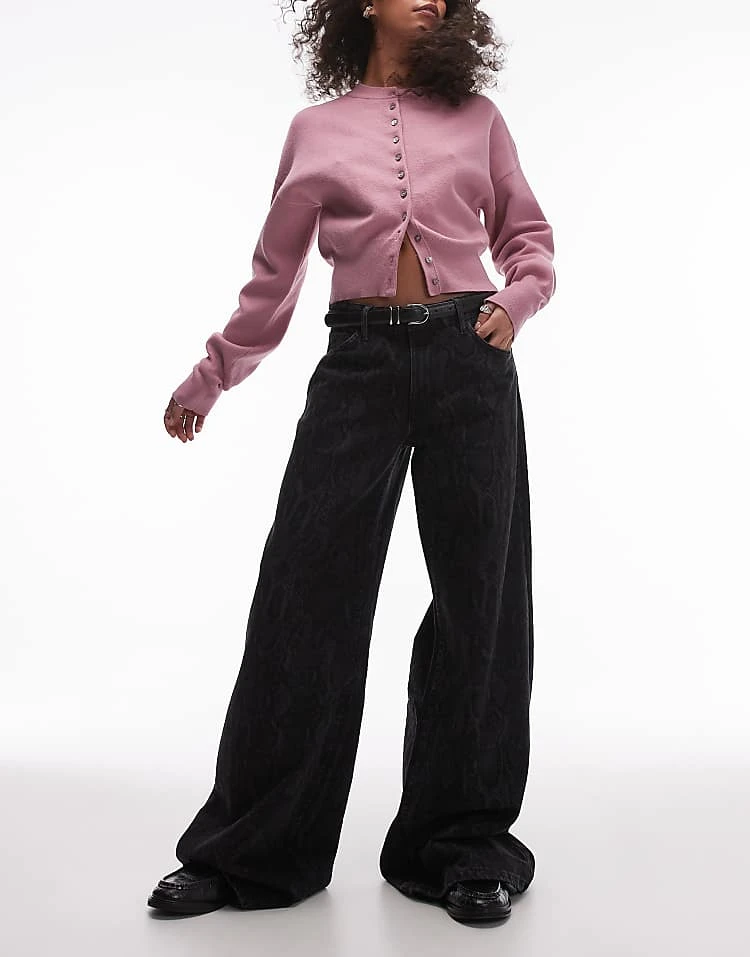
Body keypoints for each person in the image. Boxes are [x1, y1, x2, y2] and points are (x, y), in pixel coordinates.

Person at [151, 0, 555, 926]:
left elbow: (527, 237)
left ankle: (461, 845)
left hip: (470, 360)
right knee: (303, 596)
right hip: (358, 365)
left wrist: (517, 300)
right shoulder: (316, 130)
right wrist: (211, 377)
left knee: (481, 603)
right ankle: (253, 850)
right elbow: (274, 279)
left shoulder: (480, 119)